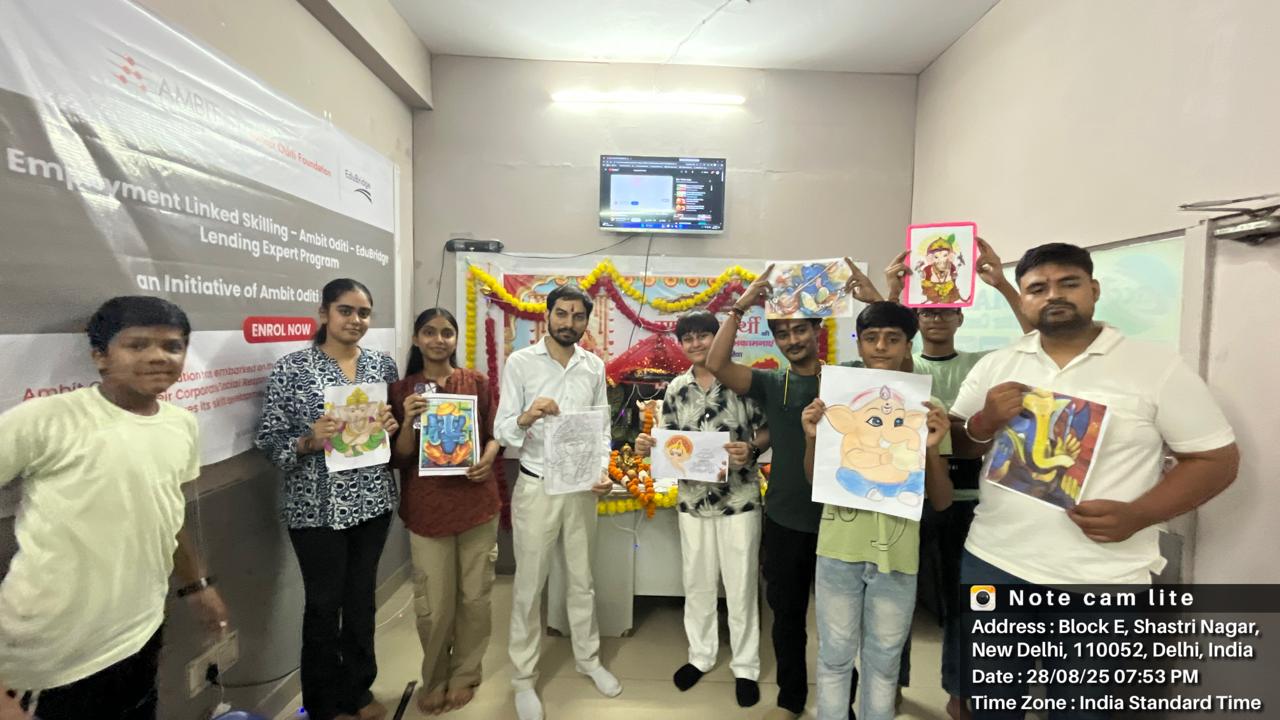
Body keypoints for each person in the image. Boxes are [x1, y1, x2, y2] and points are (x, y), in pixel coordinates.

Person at [949, 243, 1239, 719]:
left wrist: (1139, 514)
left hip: (1103, 581)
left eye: (1069, 283)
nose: (1053, 296)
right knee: (990, 706)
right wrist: (983, 422)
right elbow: (960, 445)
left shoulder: (1156, 367)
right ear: (1022, 301)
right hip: (994, 563)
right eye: (1037, 288)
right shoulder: (999, 364)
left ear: (1094, 290)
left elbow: (1215, 459)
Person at [0, 296, 228, 720]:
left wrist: (196, 585)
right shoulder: (45, 420)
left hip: (139, 633)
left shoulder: (180, 425)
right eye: (137, 345)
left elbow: (167, 515)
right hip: (48, 655)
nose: (158, 357)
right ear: (100, 357)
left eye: (172, 346)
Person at [705, 259, 881, 720]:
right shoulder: (770, 382)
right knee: (786, 618)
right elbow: (716, 362)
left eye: (800, 330)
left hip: (841, 523)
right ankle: (790, 698)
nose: (792, 341)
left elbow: (894, 359)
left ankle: (845, 697)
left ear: (817, 329)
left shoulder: (848, 380)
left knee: (842, 624)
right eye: (782, 334)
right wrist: (741, 308)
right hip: (784, 519)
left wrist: (877, 300)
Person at [886, 238, 1032, 720]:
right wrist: (891, 291)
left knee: (963, 605)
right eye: (926, 311)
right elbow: (888, 339)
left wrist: (1003, 285)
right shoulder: (906, 365)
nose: (936, 318)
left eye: (946, 310)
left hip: (970, 498)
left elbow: (1037, 343)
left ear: (959, 318)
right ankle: (893, 683)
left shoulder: (982, 364)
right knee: (898, 599)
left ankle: (959, 688)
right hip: (909, 495)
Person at [799, 301, 953, 720]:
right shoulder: (834, 400)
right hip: (837, 549)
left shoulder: (927, 406)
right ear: (860, 344)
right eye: (871, 338)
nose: (881, 347)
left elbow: (941, 499)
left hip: (898, 555)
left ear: (908, 344)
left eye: (892, 338)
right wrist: (813, 437)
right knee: (834, 657)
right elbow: (817, 480)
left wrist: (933, 450)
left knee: (883, 663)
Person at [257, 278, 400, 720]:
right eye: (345, 310)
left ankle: (358, 690)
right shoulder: (293, 368)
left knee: (361, 599)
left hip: (372, 501)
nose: (355, 320)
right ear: (324, 314)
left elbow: (389, 431)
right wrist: (307, 440)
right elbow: (268, 438)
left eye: (363, 313)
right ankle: (323, 703)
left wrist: (392, 428)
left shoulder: (382, 365)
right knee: (323, 605)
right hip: (315, 506)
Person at [493, 284, 621, 720]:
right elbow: (502, 431)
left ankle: (589, 660)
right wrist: (528, 416)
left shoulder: (593, 366)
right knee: (529, 584)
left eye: (578, 316)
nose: (569, 323)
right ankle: (524, 679)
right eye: (562, 314)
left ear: (587, 320)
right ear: (546, 315)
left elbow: (601, 429)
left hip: (581, 488)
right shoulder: (521, 362)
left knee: (582, 579)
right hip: (536, 486)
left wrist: (602, 469)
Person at [633, 310, 770, 708]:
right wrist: (649, 445)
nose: (696, 344)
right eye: (688, 338)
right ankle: (701, 655)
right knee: (697, 582)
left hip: (739, 500)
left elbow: (766, 427)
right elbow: (669, 441)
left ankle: (745, 665)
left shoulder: (742, 381)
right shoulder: (676, 388)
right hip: (692, 501)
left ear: (719, 337)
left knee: (741, 584)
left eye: (703, 336)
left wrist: (754, 449)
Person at [388, 308, 503, 716]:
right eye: (430, 332)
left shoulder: (476, 382)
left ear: (456, 339)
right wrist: (407, 422)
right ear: (417, 339)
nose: (439, 339)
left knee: (475, 598)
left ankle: (465, 674)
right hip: (427, 510)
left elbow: (495, 435)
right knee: (434, 605)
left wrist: (488, 458)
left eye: (447, 332)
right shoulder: (402, 390)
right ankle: (434, 677)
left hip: (477, 504)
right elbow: (399, 459)